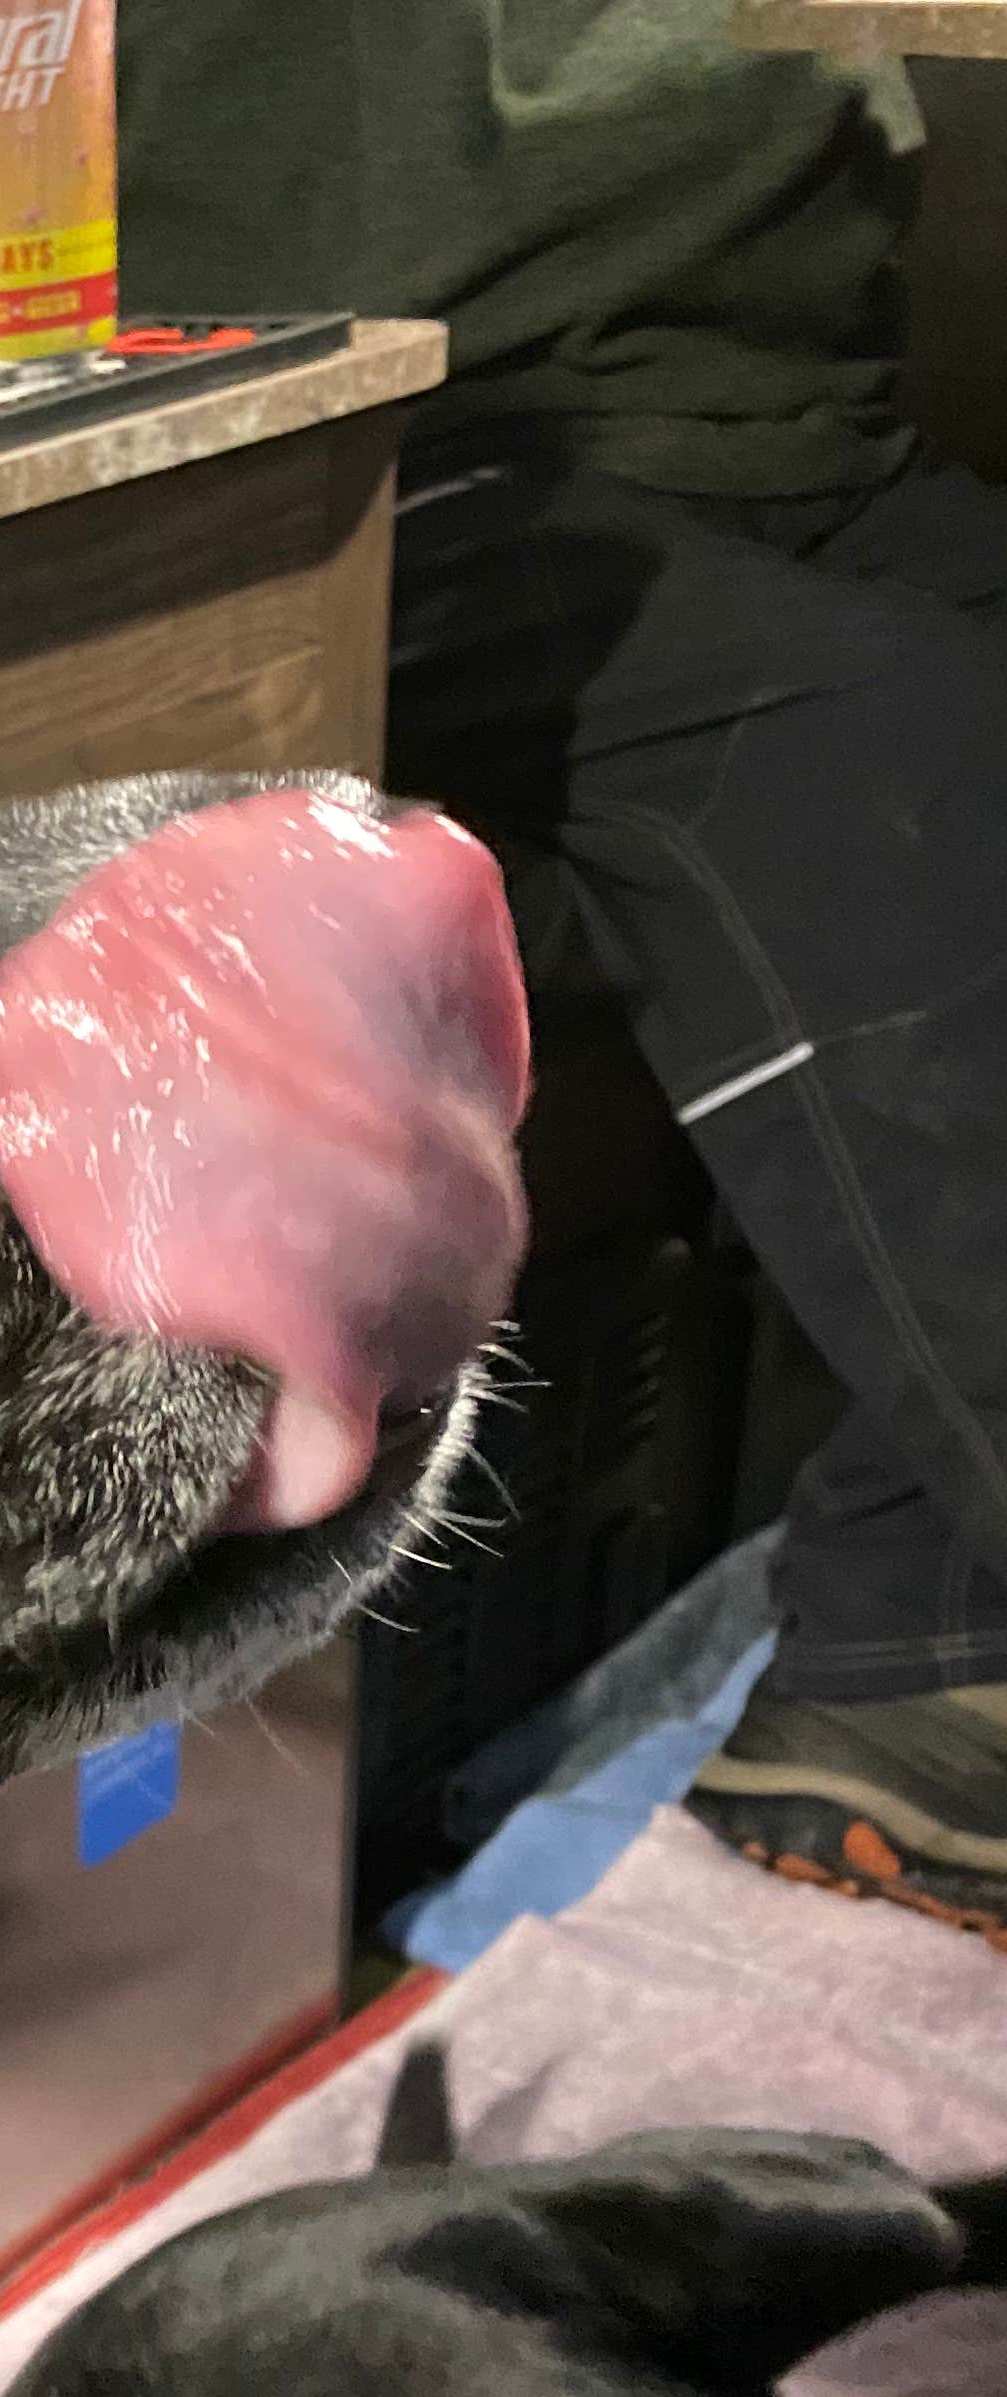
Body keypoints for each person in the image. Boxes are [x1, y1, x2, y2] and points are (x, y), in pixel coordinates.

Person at [115, 0, 1007, 1935]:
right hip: (388, 429)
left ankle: (920, 1651)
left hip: (796, 422)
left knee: (915, 709)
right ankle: (917, 1667)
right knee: (901, 749)